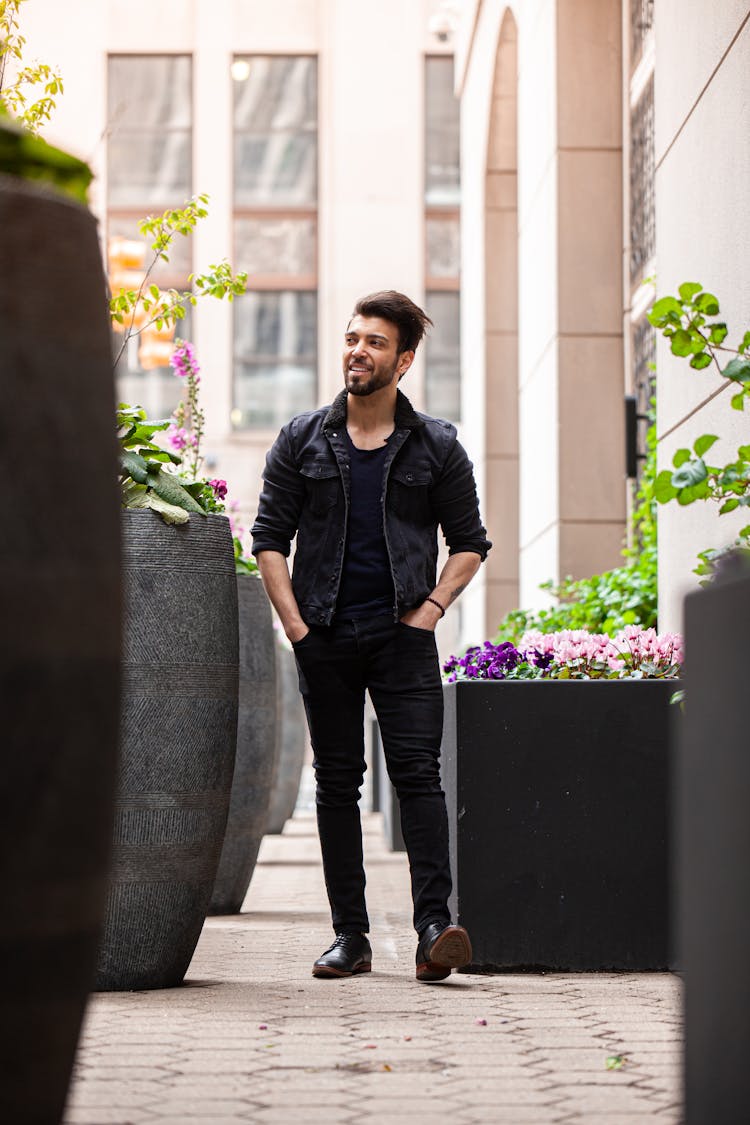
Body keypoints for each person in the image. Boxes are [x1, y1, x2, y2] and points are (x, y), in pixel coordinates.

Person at [251, 290, 491, 982]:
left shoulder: (436, 445)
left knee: (418, 775)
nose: (358, 350)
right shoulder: (301, 438)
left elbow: (469, 542)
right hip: (322, 631)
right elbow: (269, 539)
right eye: (353, 338)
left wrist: (431, 609)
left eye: (375, 342)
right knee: (336, 782)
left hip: (401, 635)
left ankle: (433, 929)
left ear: (404, 359)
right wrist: (297, 626)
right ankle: (349, 935)